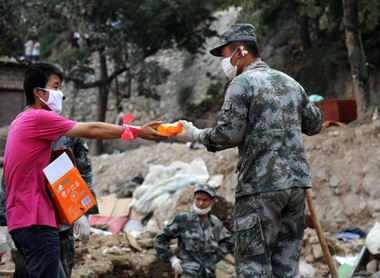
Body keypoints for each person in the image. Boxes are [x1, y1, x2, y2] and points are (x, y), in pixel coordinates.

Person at [174, 23, 323, 278]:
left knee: (254, 267)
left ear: (240, 50)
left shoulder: (242, 84)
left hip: (260, 189)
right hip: (296, 187)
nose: (224, 62)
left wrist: (195, 134)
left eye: (224, 55)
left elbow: (228, 135)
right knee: (286, 268)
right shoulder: (290, 83)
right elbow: (315, 123)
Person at [3, 62, 169, 278]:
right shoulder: (38, 118)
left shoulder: (19, 121)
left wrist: (78, 210)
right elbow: (92, 129)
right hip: (35, 220)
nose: (60, 94)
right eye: (55, 87)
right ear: (37, 91)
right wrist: (136, 131)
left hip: (24, 220)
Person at [0, 136, 98, 278]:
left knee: (61, 269)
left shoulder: (70, 134)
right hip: (30, 221)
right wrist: (7, 222)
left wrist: (83, 212)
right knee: (25, 271)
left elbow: (85, 171)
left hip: (63, 219)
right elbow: (9, 177)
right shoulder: (25, 133)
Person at [154, 183, 234, 278]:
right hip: (188, 274)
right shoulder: (183, 219)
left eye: (205, 200)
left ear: (213, 201)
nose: (200, 203)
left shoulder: (215, 223)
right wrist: (172, 259)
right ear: (193, 198)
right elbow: (160, 239)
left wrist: (214, 258)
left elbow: (229, 241)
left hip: (209, 274)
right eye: (198, 199)